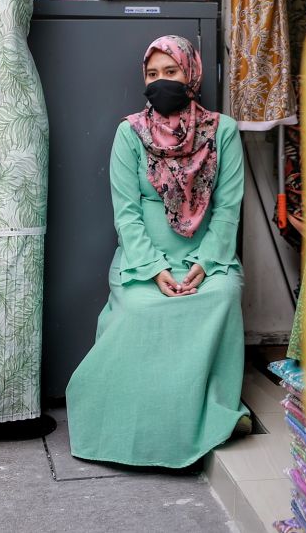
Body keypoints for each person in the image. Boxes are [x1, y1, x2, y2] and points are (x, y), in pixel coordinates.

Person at [66, 35, 250, 469]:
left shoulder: (222, 132)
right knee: (142, 309)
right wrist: (153, 270)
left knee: (221, 298)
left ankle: (202, 415)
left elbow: (227, 210)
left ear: (192, 74)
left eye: (172, 72)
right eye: (152, 74)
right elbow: (126, 215)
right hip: (141, 263)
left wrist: (203, 265)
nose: (161, 81)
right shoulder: (129, 133)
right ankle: (134, 425)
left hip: (209, 261)